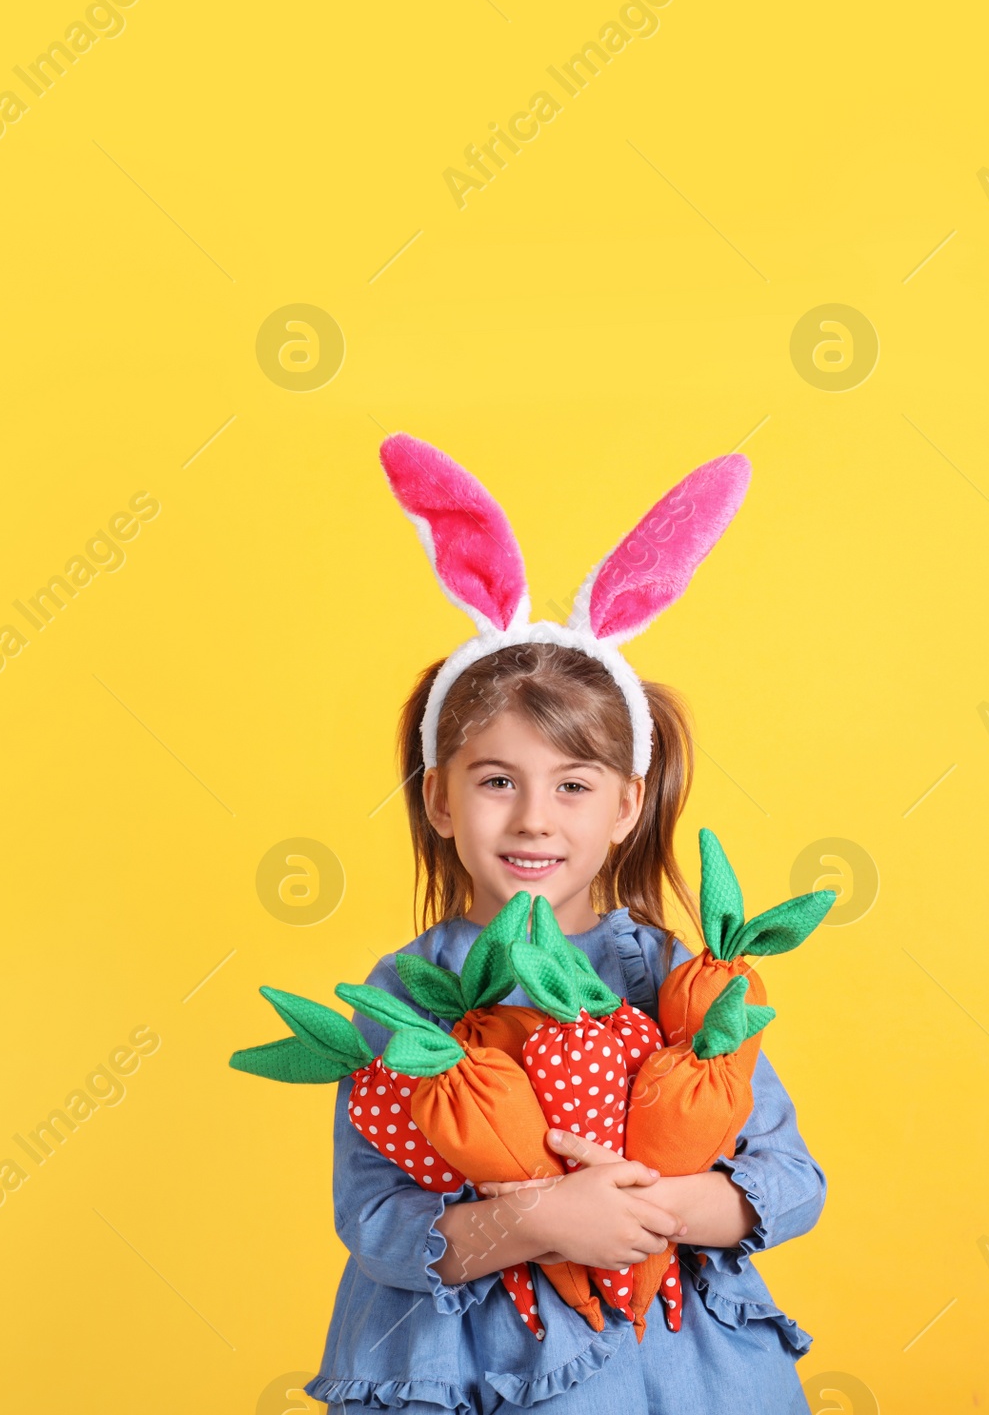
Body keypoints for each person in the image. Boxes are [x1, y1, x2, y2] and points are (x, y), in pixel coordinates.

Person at [305, 437, 826, 1413]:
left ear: (625, 805)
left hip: (675, 1362)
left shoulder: (679, 977)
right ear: (443, 800)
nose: (535, 817)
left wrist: (651, 1210)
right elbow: (373, 1216)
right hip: (467, 1369)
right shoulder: (406, 995)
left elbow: (788, 1175)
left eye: (572, 785)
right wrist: (545, 1220)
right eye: (497, 781)